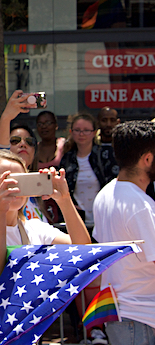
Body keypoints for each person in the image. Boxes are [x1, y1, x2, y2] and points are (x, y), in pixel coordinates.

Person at [0, 151, 90, 281]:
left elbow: (83, 250)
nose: (14, 187)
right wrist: (1, 212)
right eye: (5, 180)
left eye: (21, 180)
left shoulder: (35, 227)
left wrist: (64, 200)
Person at [92, 120, 155, 345]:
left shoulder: (105, 193)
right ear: (147, 159)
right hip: (140, 316)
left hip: (121, 313)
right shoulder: (140, 205)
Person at [0, 91, 49, 223]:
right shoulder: (1, 185)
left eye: (29, 142)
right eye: (15, 141)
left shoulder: (38, 194)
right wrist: (6, 118)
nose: (23, 144)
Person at [59, 113, 118, 225]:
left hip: (103, 219)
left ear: (94, 132)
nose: (81, 134)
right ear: (71, 132)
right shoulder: (67, 159)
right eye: (77, 130)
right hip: (77, 219)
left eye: (86, 130)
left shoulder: (105, 155)